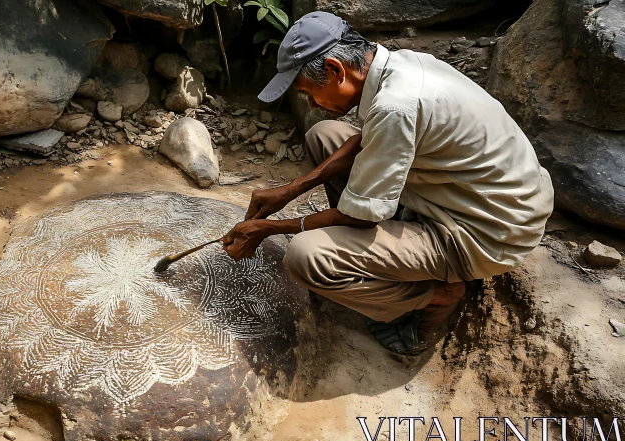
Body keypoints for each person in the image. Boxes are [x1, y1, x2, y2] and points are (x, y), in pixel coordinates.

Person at [221, 11, 554, 355]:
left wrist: (270, 228)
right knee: (326, 134)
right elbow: (366, 138)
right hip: (474, 197)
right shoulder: (401, 66)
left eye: (310, 93)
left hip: (484, 232)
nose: (310, 103)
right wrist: (289, 191)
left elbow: (360, 217)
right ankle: (378, 251)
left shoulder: (397, 106)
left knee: (306, 256)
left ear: (336, 70)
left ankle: (435, 296)